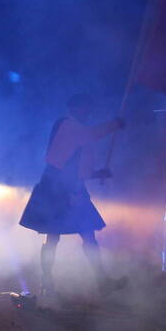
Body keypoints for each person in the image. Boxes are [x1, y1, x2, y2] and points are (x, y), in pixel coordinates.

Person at [19, 93, 126, 296]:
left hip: (69, 187)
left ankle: (101, 281)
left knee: (87, 235)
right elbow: (87, 138)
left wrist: (97, 173)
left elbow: (77, 167)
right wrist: (114, 124)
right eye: (84, 107)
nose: (87, 111)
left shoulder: (75, 129)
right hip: (57, 189)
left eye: (88, 107)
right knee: (54, 237)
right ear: (74, 108)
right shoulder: (68, 125)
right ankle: (47, 280)